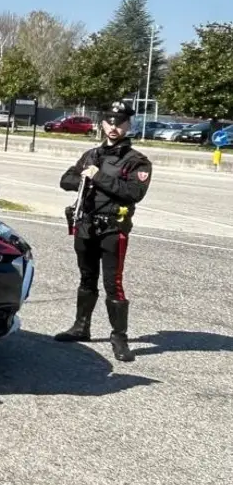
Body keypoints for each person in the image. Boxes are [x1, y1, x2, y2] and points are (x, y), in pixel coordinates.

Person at [54, 100, 151, 362]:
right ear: (102, 124)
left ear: (128, 125)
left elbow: (133, 192)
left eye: (120, 123)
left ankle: (119, 337)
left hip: (113, 228)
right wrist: (83, 177)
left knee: (113, 284)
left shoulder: (137, 161)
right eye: (109, 122)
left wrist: (98, 177)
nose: (113, 128)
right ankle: (80, 327)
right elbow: (66, 180)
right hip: (86, 224)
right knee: (86, 279)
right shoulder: (91, 155)